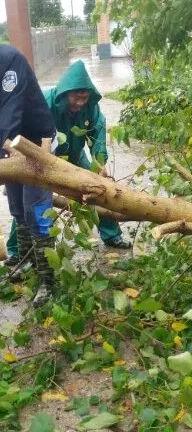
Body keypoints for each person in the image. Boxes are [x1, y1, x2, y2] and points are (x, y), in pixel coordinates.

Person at [5, 60, 131, 262]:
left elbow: (97, 131)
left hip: (74, 156)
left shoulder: (90, 107)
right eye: (76, 97)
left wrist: (100, 164)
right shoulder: (44, 101)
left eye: (84, 97)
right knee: (29, 205)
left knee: (99, 189)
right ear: (65, 93)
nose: (80, 103)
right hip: (43, 159)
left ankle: (112, 235)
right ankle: (16, 251)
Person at [0, 44, 57, 307]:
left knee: (36, 214)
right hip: (8, 145)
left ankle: (49, 282)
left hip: (36, 143)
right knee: (17, 210)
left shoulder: (10, 61)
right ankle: (26, 264)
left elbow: (10, 113)